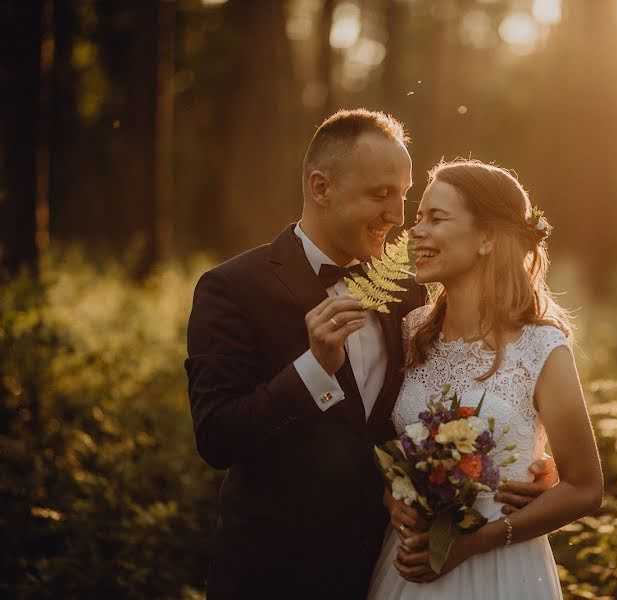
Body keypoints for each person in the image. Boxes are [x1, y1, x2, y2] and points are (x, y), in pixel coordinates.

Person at [185, 110, 557, 599]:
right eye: (380, 194)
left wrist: (527, 463)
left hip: (388, 569)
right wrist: (313, 370)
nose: (398, 216)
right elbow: (216, 438)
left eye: (403, 195)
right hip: (275, 574)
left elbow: (451, 399)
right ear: (321, 188)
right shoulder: (232, 289)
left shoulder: (411, 291)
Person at [367, 159, 604, 600]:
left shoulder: (541, 347)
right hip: (408, 565)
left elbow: (586, 488)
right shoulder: (410, 331)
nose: (415, 231)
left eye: (436, 218)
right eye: (418, 218)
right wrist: (392, 496)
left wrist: (472, 543)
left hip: (500, 568)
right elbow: (379, 440)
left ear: (487, 238)